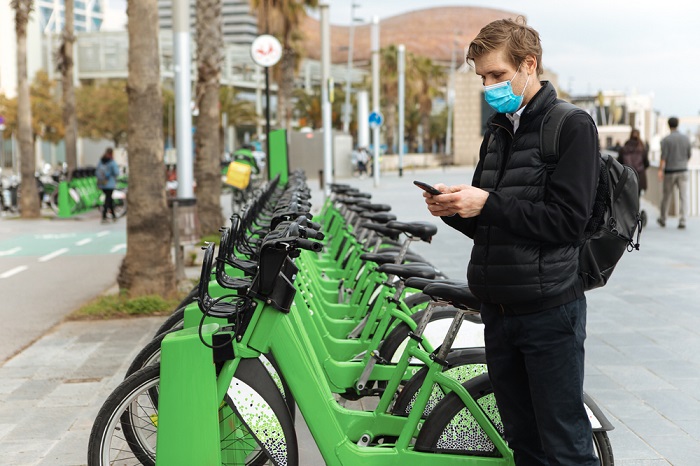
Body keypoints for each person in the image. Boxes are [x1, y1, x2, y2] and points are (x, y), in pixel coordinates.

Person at [422, 17, 600, 465]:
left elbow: (567, 223)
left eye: (498, 75)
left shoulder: (572, 126)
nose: (490, 86)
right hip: (498, 311)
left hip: (549, 311)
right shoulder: (499, 129)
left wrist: (488, 204)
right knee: (523, 441)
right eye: (483, 78)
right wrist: (455, 210)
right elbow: (493, 218)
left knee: (563, 442)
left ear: (529, 65)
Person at [658, 117, 691, 229]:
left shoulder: (666, 140)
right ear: (678, 124)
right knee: (683, 196)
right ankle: (683, 220)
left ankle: (663, 218)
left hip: (670, 171)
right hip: (683, 170)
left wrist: (660, 170)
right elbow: (689, 154)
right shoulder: (686, 138)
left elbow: (663, 157)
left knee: (666, 196)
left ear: (668, 125)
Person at [618, 128, 650, 225]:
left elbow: (619, 162)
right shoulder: (641, 148)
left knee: (627, 197)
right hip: (639, 176)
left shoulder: (624, 148)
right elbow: (647, 163)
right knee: (637, 196)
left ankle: (628, 217)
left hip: (627, 176)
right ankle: (636, 215)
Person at [96, 148, 120, 223]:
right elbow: (116, 172)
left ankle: (113, 216)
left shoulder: (101, 161)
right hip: (110, 184)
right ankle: (104, 216)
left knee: (109, 199)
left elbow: (97, 171)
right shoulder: (112, 162)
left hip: (102, 183)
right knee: (108, 199)